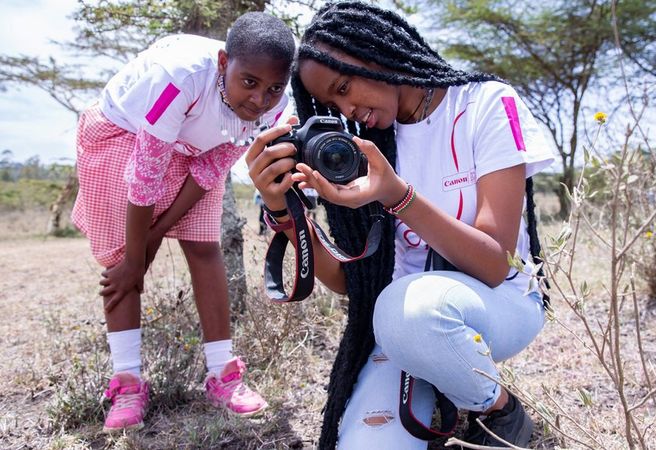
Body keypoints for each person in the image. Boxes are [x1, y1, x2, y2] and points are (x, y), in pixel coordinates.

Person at [247, 1, 555, 448]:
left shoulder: (483, 103)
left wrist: (397, 194)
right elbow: (352, 283)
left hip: (499, 302)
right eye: (333, 103)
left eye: (346, 85)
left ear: (377, 50)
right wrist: (284, 211)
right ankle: (441, 382)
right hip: (401, 329)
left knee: (408, 309)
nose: (350, 108)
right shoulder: (358, 148)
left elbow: (494, 263)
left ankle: (497, 407)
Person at [71, 12, 294, 433]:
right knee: (122, 259)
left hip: (194, 150)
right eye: (250, 82)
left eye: (273, 88)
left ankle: (223, 373)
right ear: (225, 62)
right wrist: (136, 257)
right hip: (123, 132)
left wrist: (155, 236)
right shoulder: (180, 79)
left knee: (204, 246)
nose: (260, 100)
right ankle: (128, 381)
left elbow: (211, 168)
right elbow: (145, 175)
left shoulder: (275, 107)